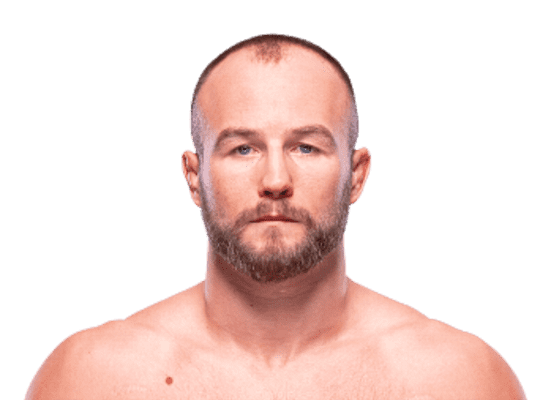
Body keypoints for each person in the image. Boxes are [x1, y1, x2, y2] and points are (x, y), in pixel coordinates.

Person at [25, 33, 527, 400]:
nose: (275, 179)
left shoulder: (457, 380)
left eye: (306, 147)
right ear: (194, 176)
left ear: (356, 175)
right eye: (242, 148)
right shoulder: (92, 380)